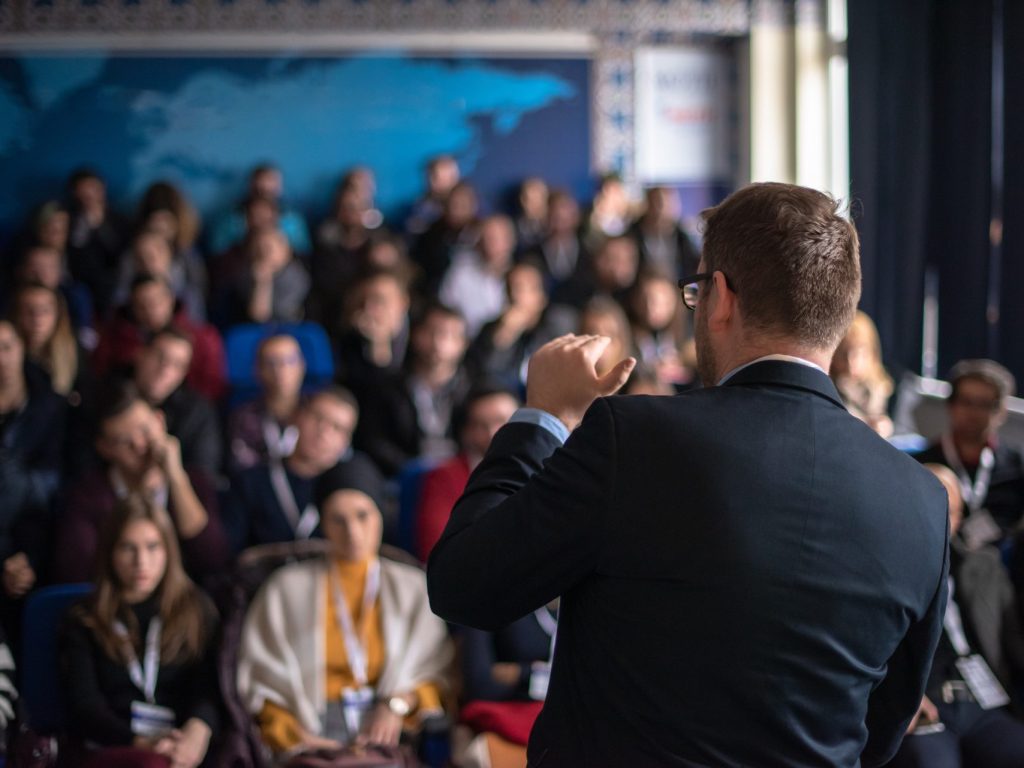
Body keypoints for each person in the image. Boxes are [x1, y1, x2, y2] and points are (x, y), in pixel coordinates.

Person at [428, 182, 950, 767]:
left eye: (695, 289)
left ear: (721, 297)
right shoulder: (923, 498)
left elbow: (464, 584)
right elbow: (884, 726)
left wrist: (541, 417)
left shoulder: (636, 436)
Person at [236, 460, 452, 758]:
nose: (353, 532)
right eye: (338, 519)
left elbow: (439, 673)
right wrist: (295, 737)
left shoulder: (412, 587)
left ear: (381, 515)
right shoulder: (286, 588)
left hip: (388, 737)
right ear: (322, 524)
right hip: (310, 738)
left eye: (363, 516)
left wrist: (398, 704)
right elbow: (261, 681)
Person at [60, 496, 220, 768]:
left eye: (153, 547)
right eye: (127, 548)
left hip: (182, 747)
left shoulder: (197, 608)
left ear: (169, 551)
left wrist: (197, 732)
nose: (141, 562)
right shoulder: (84, 617)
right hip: (114, 746)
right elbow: (85, 707)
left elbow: (211, 688)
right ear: (109, 552)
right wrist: (146, 744)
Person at [890, 464, 1024, 768]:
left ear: (960, 517)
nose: (940, 518)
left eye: (949, 510)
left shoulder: (982, 568)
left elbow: (1013, 639)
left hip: (985, 701)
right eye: (929, 504)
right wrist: (894, 698)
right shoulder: (883, 573)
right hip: (924, 704)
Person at [54, 381, 227, 584]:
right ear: (104, 448)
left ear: (160, 421)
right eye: (125, 442)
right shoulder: (86, 496)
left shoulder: (196, 481)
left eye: (145, 431)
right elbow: (76, 572)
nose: (140, 446)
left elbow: (213, 560)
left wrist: (177, 478)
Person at [225, 387, 361, 554]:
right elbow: (231, 553)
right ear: (297, 417)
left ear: (345, 442)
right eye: (318, 418)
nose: (323, 432)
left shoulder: (351, 493)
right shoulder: (249, 481)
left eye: (337, 428)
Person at [914, 359, 1024, 547]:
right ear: (951, 405)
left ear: (1001, 411)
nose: (973, 412)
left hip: (996, 570)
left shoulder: (1016, 469)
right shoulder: (921, 466)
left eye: (984, 404)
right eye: (966, 401)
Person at [354, 302, 472, 477]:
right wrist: (410, 469)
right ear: (416, 334)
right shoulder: (388, 385)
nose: (438, 342)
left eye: (449, 335)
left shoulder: (473, 391)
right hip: (399, 477)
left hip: (460, 478)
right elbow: (374, 441)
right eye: (431, 332)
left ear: (463, 344)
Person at [0, 320, 66, 603]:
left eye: (6, 347)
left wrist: (24, 557)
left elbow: (49, 491)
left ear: (22, 348)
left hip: (33, 542)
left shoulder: (51, 408)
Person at [414, 385, 519, 562]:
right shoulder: (444, 478)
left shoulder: (544, 467)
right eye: (481, 425)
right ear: (466, 432)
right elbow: (436, 549)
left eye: (501, 421)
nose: (493, 432)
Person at [93, 273, 226, 403]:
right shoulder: (114, 338)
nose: (151, 310)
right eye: (141, 305)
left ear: (171, 300)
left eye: (157, 301)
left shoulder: (204, 338)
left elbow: (212, 388)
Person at [131, 328, 223, 472]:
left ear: (184, 374)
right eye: (159, 357)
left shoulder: (199, 412)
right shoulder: (108, 395)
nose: (165, 370)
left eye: (177, 365)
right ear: (141, 354)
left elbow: (204, 478)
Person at [226, 334, 306, 474]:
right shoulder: (244, 418)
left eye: (289, 360)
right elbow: (243, 471)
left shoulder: (318, 413)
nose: (281, 370)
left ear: (302, 365)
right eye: (271, 363)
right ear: (258, 370)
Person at [439, 214, 514, 338]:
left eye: (496, 238)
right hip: (464, 341)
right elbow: (446, 307)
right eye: (486, 237)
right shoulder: (460, 272)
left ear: (509, 242)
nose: (489, 244)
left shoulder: (521, 277)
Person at [830, 310, 894, 437]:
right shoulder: (829, 389)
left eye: (859, 352)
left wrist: (887, 427)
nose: (850, 362)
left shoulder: (882, 389)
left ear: (872, 352)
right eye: (843, 353)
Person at [628, 186, 700, 278]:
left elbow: (693, 264)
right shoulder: (631, 236)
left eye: (669, 204)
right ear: (647, 205)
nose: (663, 209)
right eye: (658, 203)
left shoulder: (683, 238)